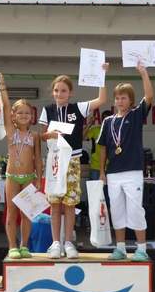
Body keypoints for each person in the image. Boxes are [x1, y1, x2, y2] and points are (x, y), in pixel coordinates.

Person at [40, 65, 109, 259]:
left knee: (70, 203)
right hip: (54, 161)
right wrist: (50, 134)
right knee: (55, 204)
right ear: (52, 92)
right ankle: (55, 243)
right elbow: (42, 136)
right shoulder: (47, 110)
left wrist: (102, 74)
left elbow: (102, 100)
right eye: (56, 90)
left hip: (72, 160)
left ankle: (69, 242)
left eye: (63, 90)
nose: (59, 93)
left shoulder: (78, 108)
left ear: (70, 93)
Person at [98, 62, 154, 262]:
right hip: (113, 173)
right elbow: (102, 147)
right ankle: (120, 248)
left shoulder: (136, 115)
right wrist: (102, 171)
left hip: (132, 172)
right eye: (117, 98)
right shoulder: (108, 121)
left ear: (131, 100)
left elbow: (149, 96)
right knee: (117, 210)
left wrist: (143, 73)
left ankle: (141, 249)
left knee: (136, 209)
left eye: (124, 98)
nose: (120, 101)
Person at [0, 73, 42, 259]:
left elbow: (38, 159)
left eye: (27, 113)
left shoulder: (35, 136)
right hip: (12, 177)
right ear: (13, 116)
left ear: (32, 116)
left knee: (27, 213)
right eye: (20, 113)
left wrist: (39, 179)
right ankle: (12, 246)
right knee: (11, 212)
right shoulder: (11, 131)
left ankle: (24, 245)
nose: (24, 115)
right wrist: (2, 87)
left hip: (29, 177)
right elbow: (6, 106)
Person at [84, 110, 112, 180]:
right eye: (104, 118)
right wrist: (89, 124)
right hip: (96, 167)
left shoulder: (116, 131)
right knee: (95, 187)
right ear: (101, 119)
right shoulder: (95, 129)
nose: (106, 121)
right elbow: (82, 137)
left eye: (108, 118)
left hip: (111, 167)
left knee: (109, 187)